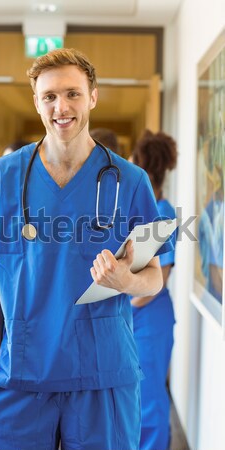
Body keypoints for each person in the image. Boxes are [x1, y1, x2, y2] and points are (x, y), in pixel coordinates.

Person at [0, 48, 172, 450]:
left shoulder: (131, 181)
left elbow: (155, 278)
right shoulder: (2, 177)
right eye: (50, 96)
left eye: (72, 93)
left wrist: (125, 279)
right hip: (20, 370)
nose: (62, 107)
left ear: (92, 96)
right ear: (36, 102)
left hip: (101, 372)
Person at [130, 129, 178, 450]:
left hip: (150, 318)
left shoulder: (162, 213)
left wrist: (117, 300)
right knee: (137, 400)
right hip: (138, 316)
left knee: (150, 402)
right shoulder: (146, 210)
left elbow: (158, 279)